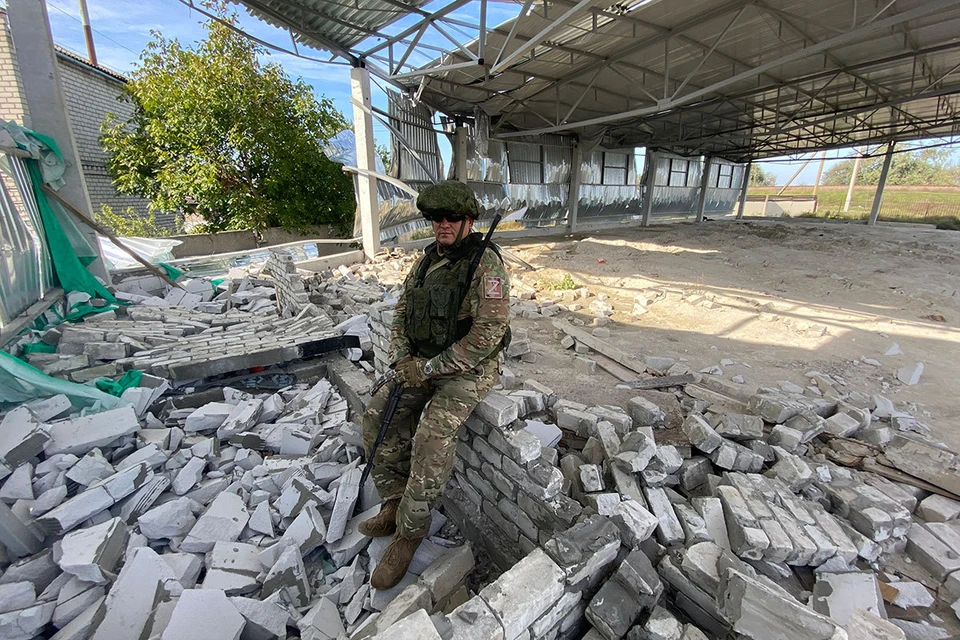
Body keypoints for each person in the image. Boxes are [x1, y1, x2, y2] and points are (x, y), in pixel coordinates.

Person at [360, 181, 511, 589]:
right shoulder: (427, 261)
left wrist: (427, 370)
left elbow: (486, 337)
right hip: (422, 361)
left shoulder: (486, 265)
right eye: (435, 218)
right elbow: (402, 311)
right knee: (378, 414)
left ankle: (409, 533)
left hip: (468, 367)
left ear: (468, 221)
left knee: (432, 436)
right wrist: (401, 357)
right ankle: (394, 501)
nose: (442, 225)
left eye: (451, 218)